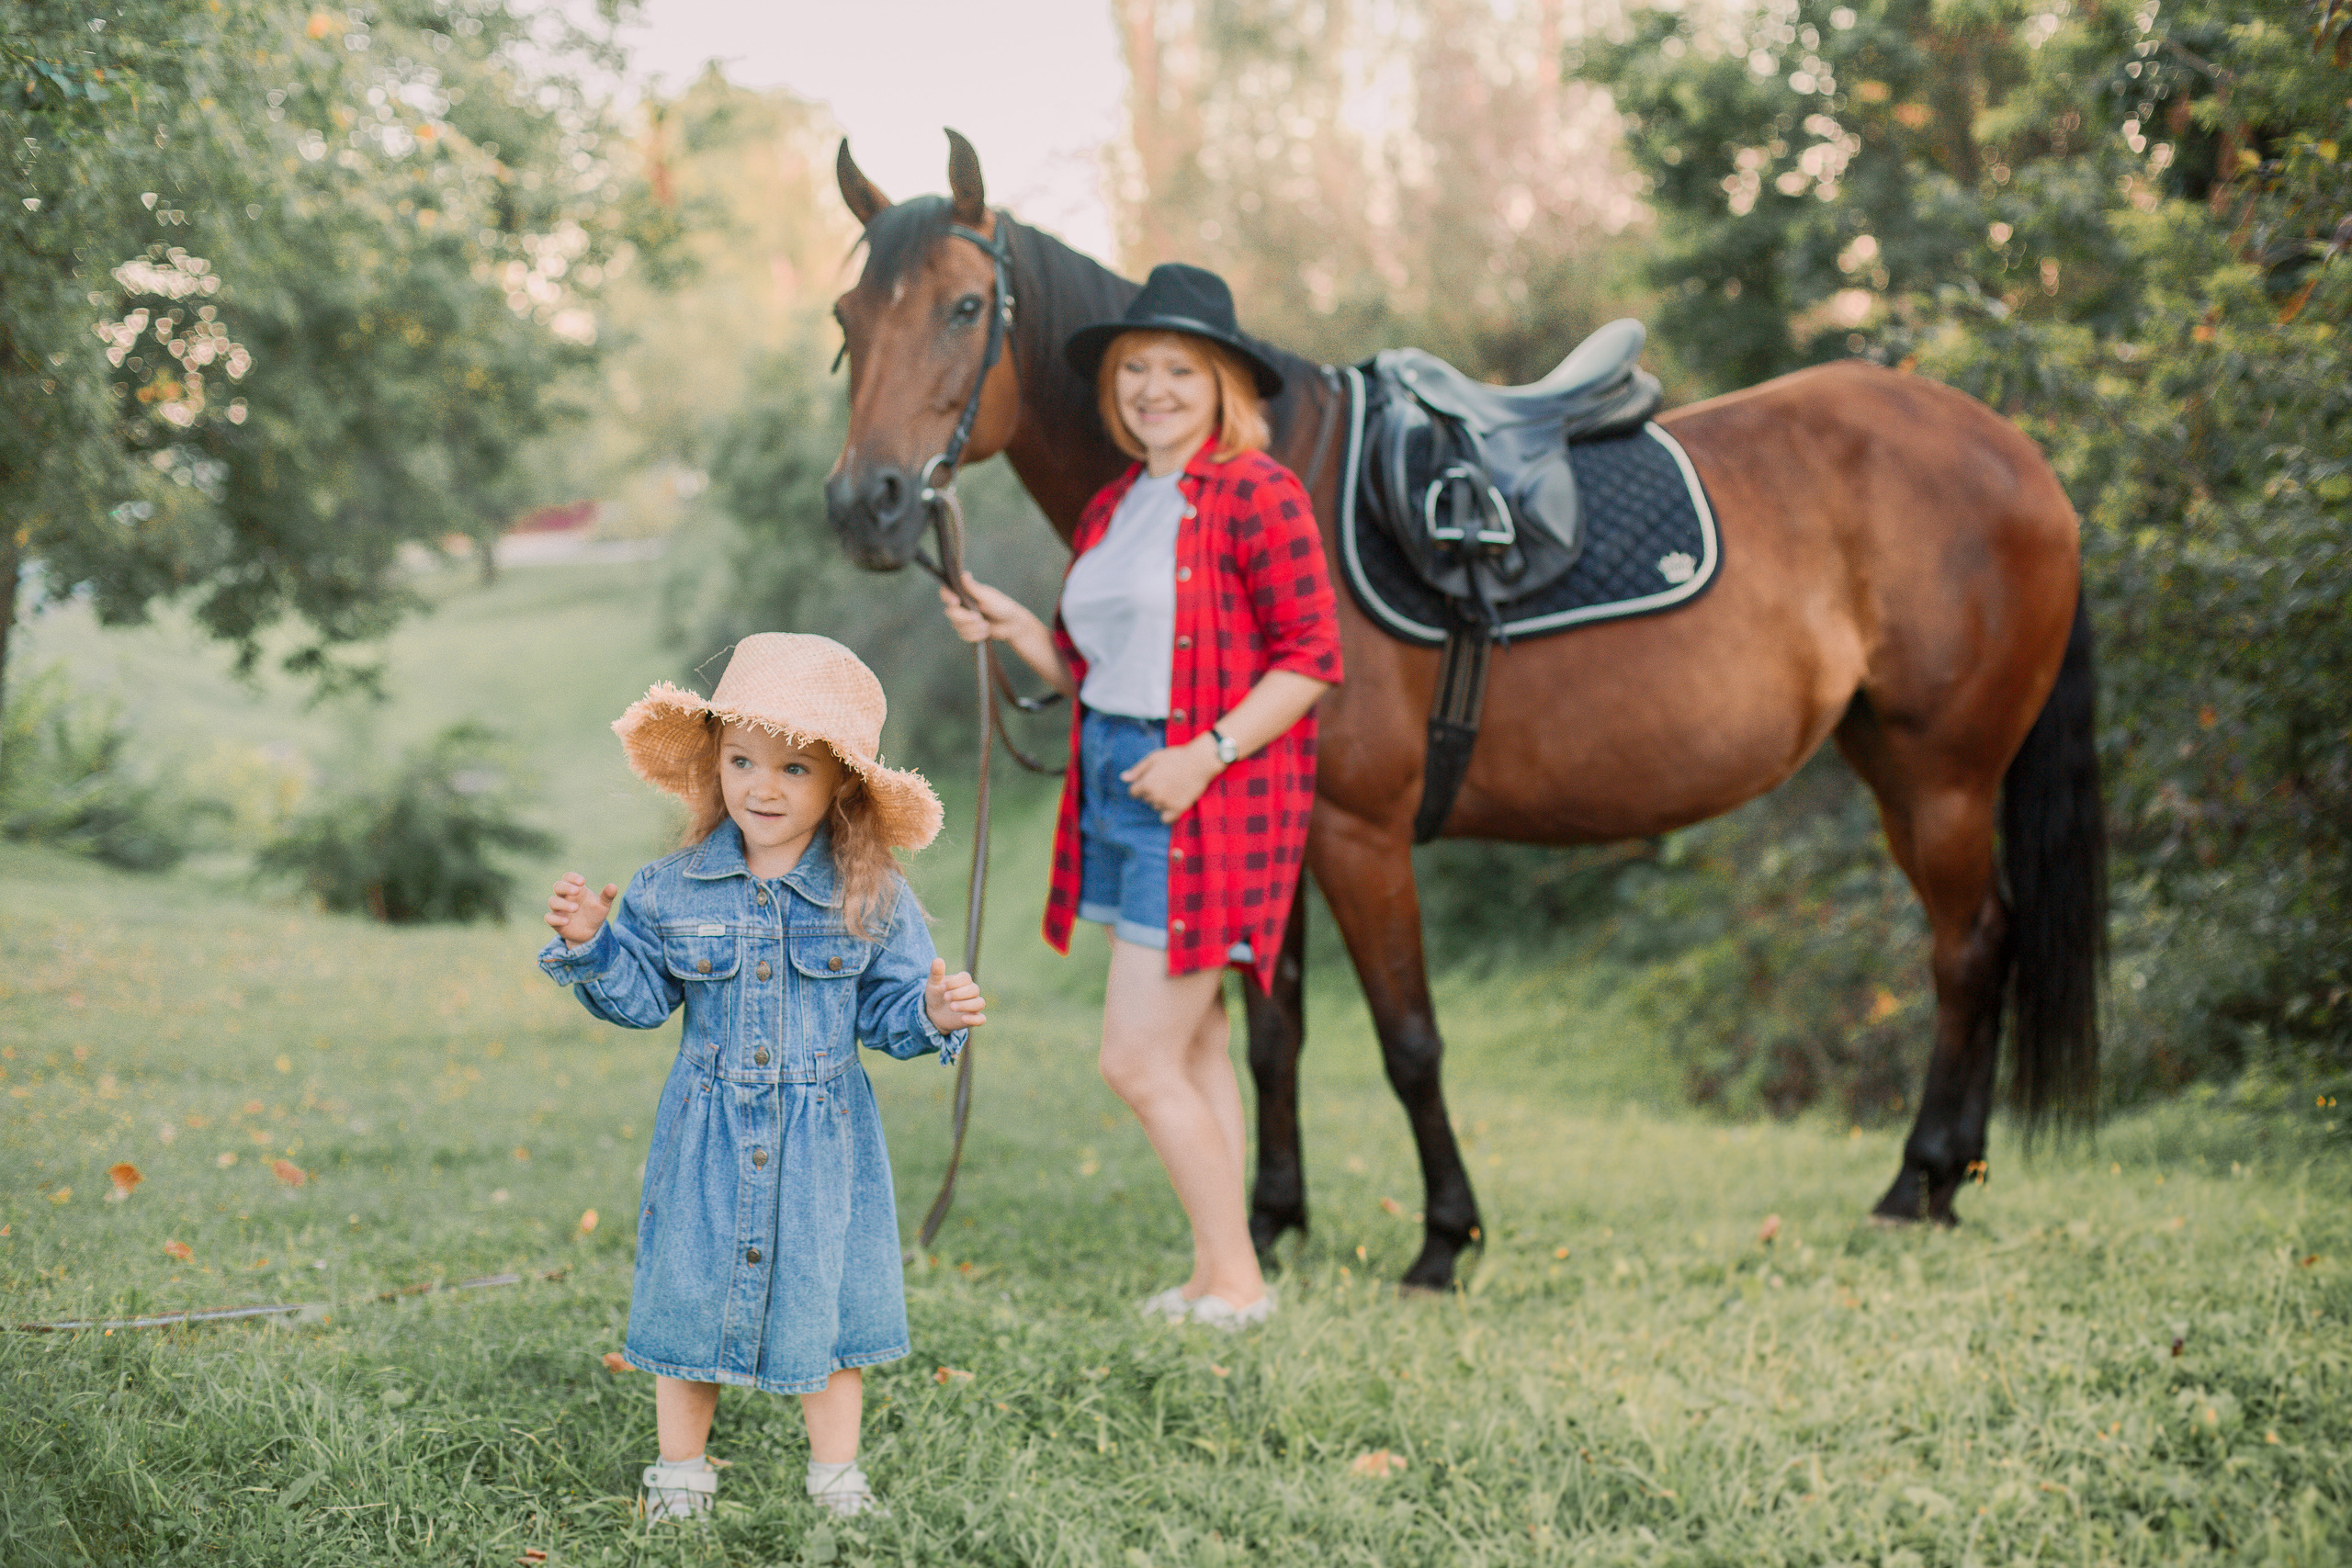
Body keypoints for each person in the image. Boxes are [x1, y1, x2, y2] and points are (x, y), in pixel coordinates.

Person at [939, 263, 1342, 1329]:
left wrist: (1203, 754)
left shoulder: (1259, 492)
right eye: (1134, 370)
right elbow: (1097, 668)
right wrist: (1020, 627)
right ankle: (1218, 1277)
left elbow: (1309, 660)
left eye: (1179, 369)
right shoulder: (1118, 505)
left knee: (1135, 1056)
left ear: (1222, 386)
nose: (1152, 388)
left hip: (1201, 792)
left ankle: (1240, 1282)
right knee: (1196, 1044)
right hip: (1114, 776)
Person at [538, 633, 986, 1523]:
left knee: (831, 1293)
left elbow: (889, 1013)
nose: (763, 787)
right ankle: (680, 1472)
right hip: (706, 1132)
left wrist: (933, 1015)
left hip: (825, 1138)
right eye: (742, 762)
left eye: (792, 768)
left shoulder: (872, 899)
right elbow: (640, 1001)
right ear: (714, 769)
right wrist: (594, 942)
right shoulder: (670, 891)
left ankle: (836, 1475)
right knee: (687, 1293)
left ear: (840, 786)